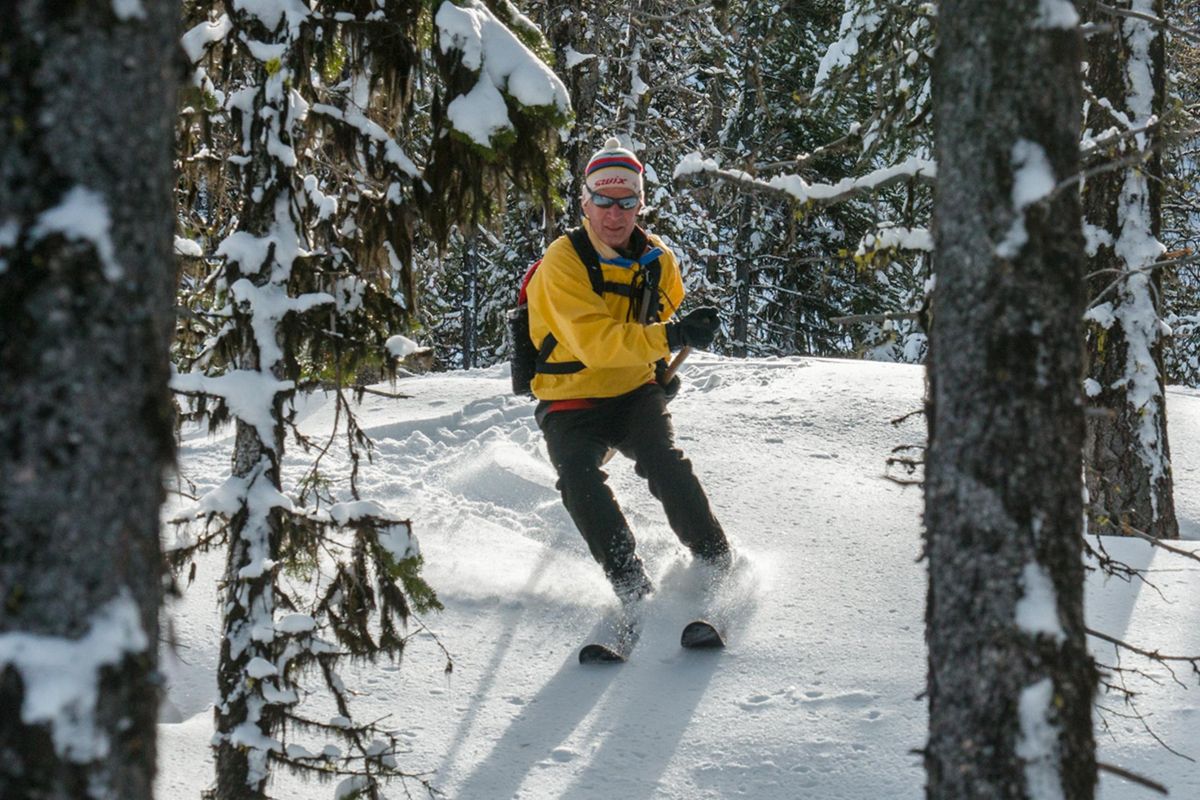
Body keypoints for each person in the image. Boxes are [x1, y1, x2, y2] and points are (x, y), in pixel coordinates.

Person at [525, 136, 732, 605]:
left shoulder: (658, 261)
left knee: (665, 462)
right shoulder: (563, 261)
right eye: (602, 201)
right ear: (585, 202)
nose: (614, 215)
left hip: (635, 392)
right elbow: (596, 343)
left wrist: (667, 355)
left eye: (625, 201)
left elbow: (661, 313)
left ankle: (715, 558)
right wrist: (671, 338)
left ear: (640, 203)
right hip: (570, 398)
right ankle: (630, 586)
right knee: (578, 479)